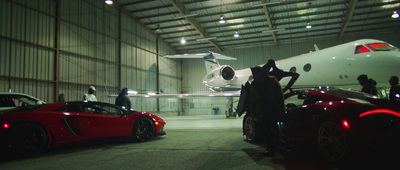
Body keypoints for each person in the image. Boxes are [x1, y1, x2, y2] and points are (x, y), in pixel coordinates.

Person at [249, 66, 285, 157]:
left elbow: (279, 95)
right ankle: (270, 148)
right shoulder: (254, 84)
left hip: (272, 108)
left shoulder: (272, 81)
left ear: (260, 73)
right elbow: (253, 99)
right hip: (262, 109)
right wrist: (254, 113)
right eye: (253, 74)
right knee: (266, 130)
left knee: (274, 128)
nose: (253, 76)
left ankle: (273, 147)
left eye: (254, 74)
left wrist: (281, 109)